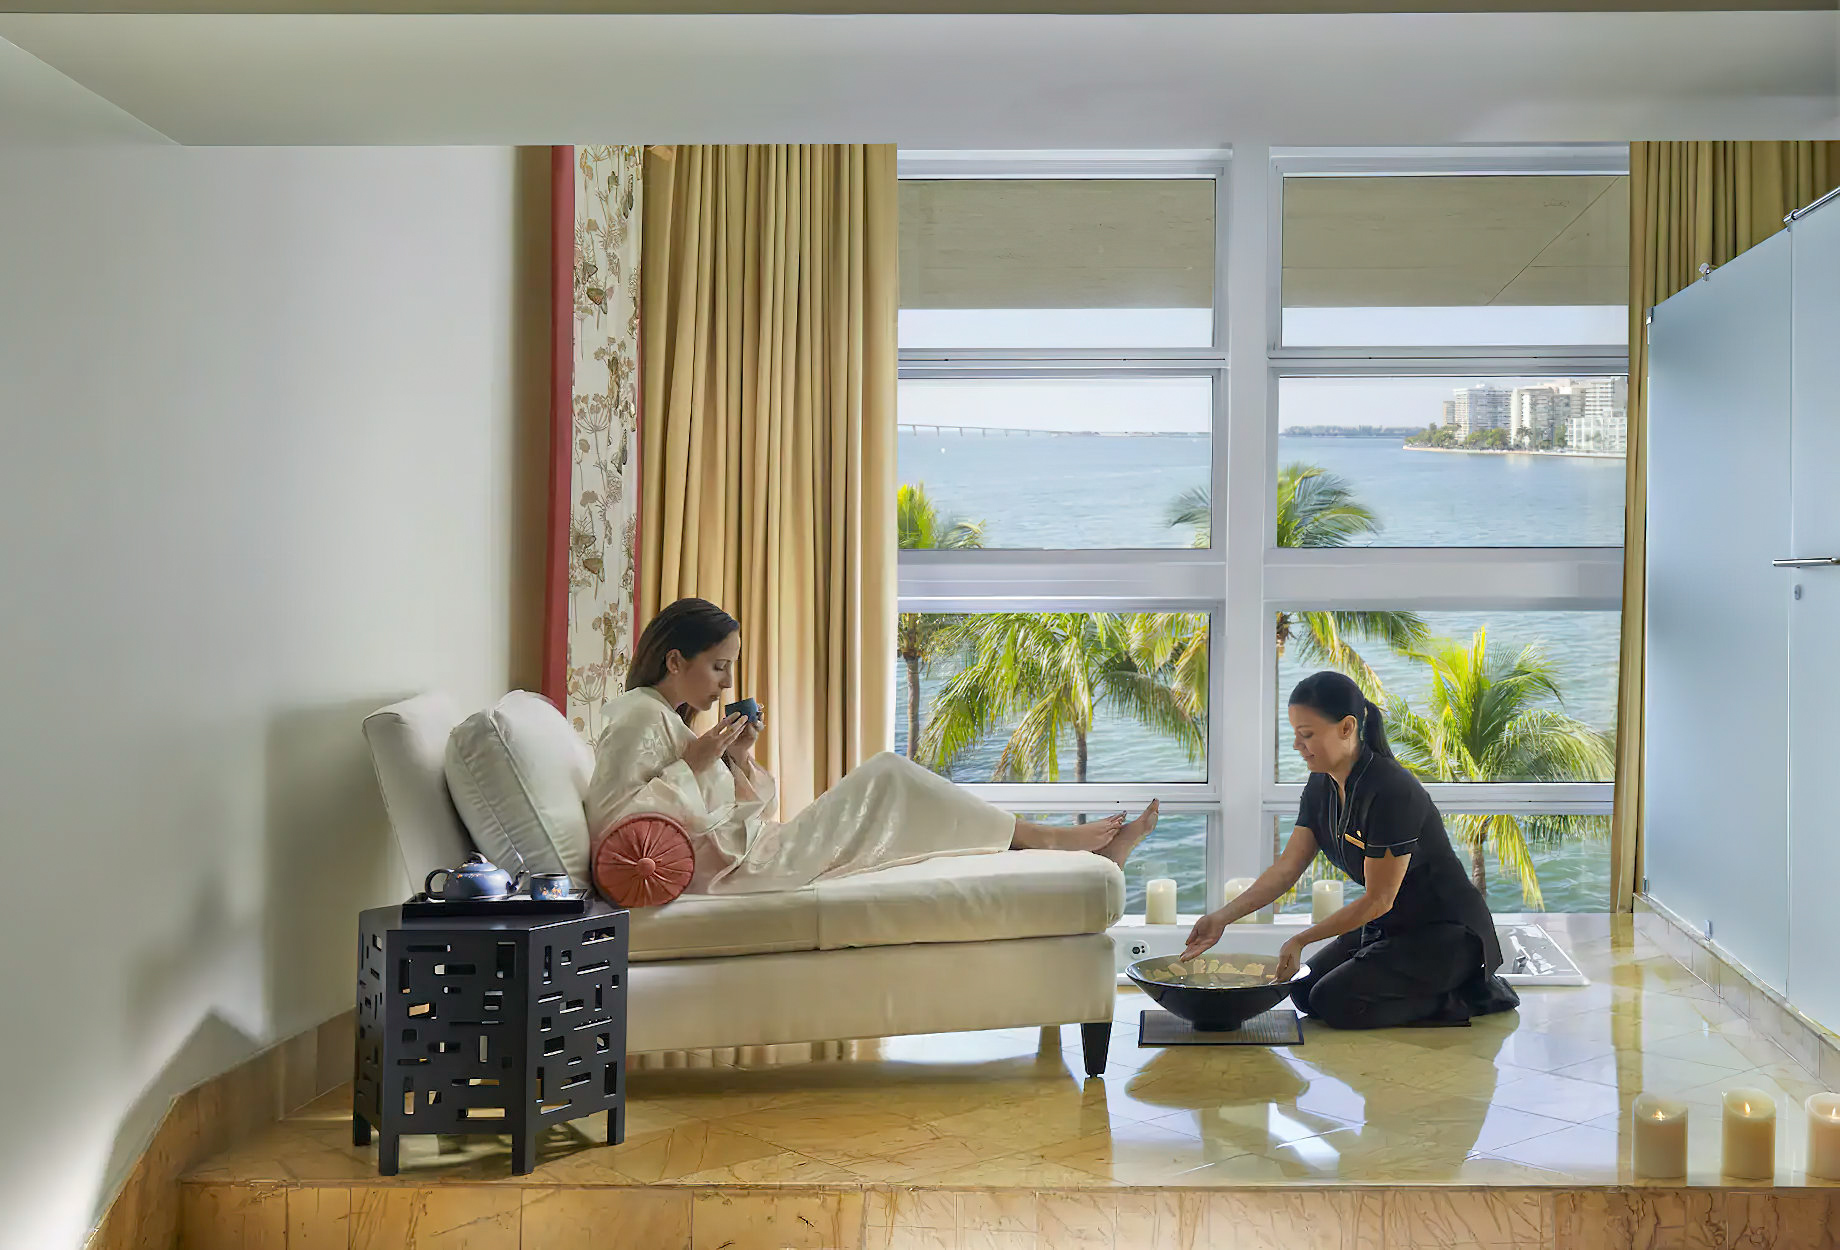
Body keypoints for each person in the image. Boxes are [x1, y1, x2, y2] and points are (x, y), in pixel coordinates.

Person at [586, 597, 1160, 895]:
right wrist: (693, 765)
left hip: (752, 853)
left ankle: (1053, 844)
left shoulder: (670, 719)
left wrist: (739, 760)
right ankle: (1051, 840)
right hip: (738, 874)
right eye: (718, 667)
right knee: (888, 776)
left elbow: (726, 810)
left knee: (896, 803)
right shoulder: (638, 715)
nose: (727, 685)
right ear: (674, 660)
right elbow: (612, 833)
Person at [1180, 671, 1519, 1029]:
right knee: (1304, 990)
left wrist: (1300, 939)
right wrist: (1222, 918)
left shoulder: (1391, 792)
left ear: (1347, 727)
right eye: (1295, 734)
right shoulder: (1320, 786)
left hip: (1446, 935)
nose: (1298, 745)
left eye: (1307, 734)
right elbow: (1286, 869)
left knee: (1336, 1002)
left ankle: (1468, 994)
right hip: (1391, 925)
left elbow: (1378, 899)